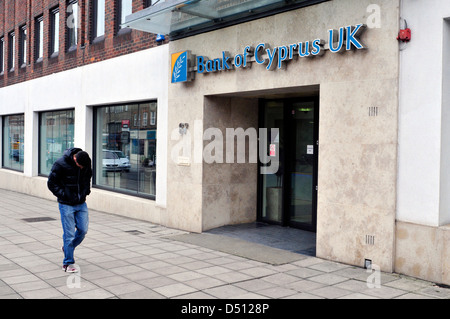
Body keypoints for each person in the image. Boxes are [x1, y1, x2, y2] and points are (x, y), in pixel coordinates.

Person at [47, 148, 92, 273]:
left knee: (83, 230)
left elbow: (87, 178)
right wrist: (64, 195)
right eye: (80, 166)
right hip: (66, 204)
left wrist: (85, 192)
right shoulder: (60, 163)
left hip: (81, 203)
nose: (82, 168)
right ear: (75, 159)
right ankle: (68, 263)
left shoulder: (86, 162)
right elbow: (51, 183)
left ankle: (67, 248)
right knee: (69, 234)